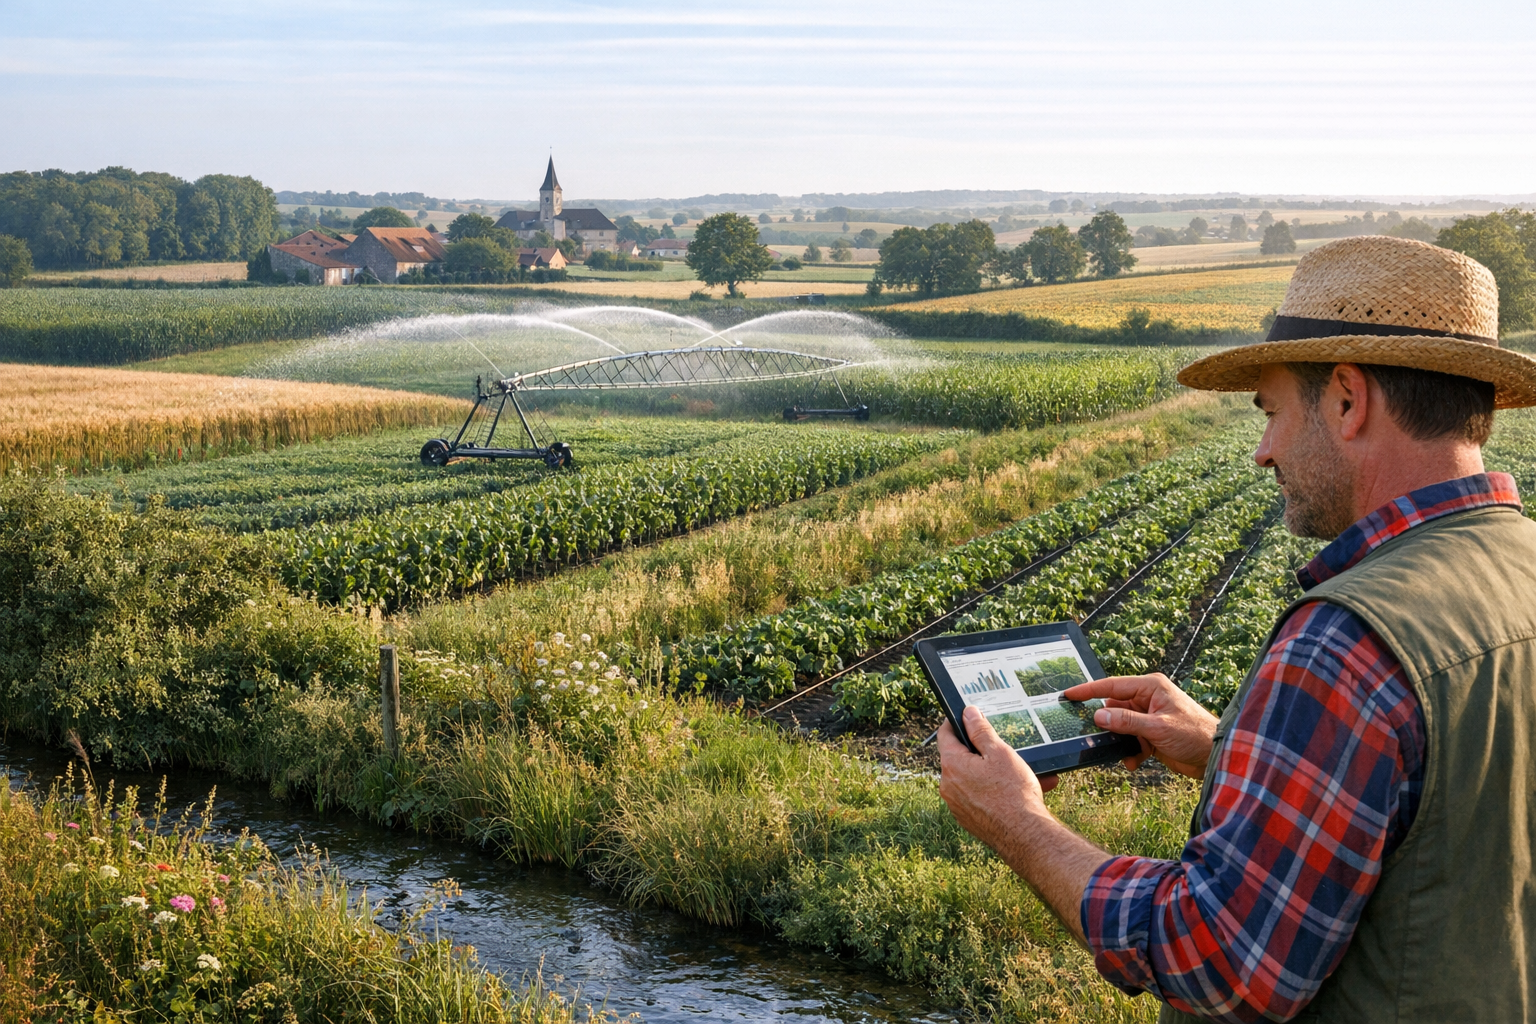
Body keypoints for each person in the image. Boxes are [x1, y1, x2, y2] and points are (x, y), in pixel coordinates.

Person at [937, 235, 1536, 1023]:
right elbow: (1455, 816)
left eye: (1272, 412)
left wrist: (1019, 824)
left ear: (1348, 400)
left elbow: (1221, 959)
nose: (1263, 451)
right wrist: (1227, 751)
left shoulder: (1347, 643)